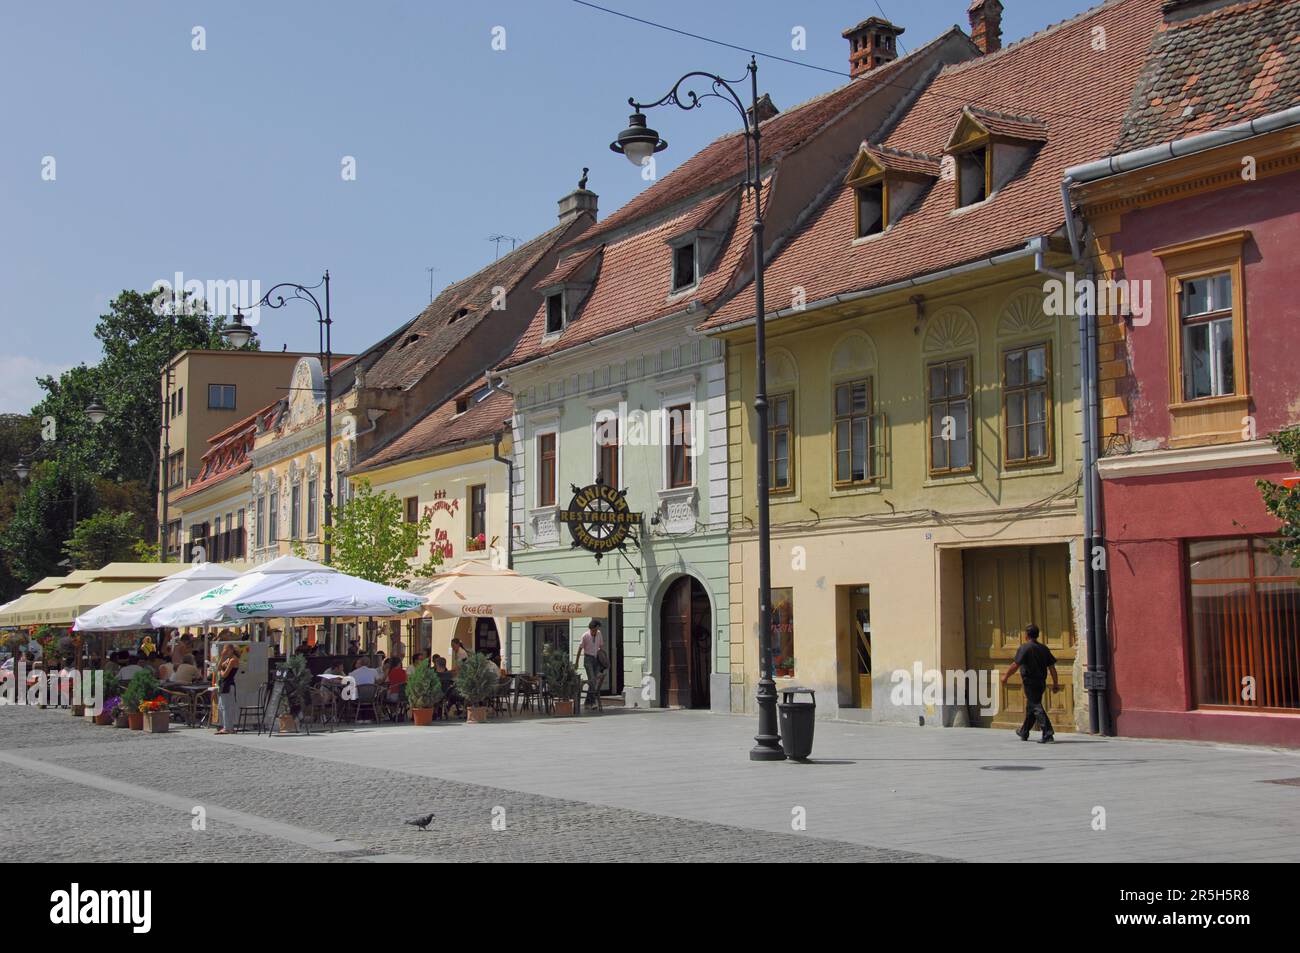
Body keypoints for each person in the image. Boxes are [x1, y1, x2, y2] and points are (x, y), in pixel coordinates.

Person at [1001, 623, 1058, 743]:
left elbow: (1015, 664)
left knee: (1036, 706)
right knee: (1031, 708)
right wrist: (1055, 683)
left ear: (1026, 635)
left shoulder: (1025, 648)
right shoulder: (1044, 648)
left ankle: (1048, 733)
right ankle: (1024, 731)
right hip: (1041, 682)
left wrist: (1006, 676)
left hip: (1030, 682)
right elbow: (1052, 667)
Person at [578, 619, 603, 709]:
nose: (594, 631)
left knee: (594, 681)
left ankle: (587, 702)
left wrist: (603, 658)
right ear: (590, 629)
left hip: (596, 659)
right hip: (588, 659)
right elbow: (580, 649)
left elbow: (601, 646)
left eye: (595, 630)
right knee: (592, 679)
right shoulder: (585, 636)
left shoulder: (599, 634)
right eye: (593, 630)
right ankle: (592, 702)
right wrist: (577, 662)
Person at [215, 645, 240, 735]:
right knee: (221, 706)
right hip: (223, 684)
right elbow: (218, 668)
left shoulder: (233, 660)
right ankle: (225, 726)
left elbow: (224, 674)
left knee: (227, 707)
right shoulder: (228, 659)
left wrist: (221, 671)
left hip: (228, 684)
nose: (224, 651)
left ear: (231, 650)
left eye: (226, 650)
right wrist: (222, 656)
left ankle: (228, 728)